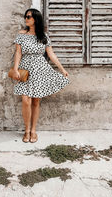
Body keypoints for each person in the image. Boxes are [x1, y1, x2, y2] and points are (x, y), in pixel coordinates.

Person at [12, 8, 70, 143]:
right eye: (25, 16)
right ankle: (26, 130)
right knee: (26, 101)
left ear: (35, 19)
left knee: (36, 101)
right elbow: (18, 53)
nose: (26, 19)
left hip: (40, 69)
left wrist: (62, 69)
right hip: (25, 69)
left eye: (29, 17)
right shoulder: (21, 34)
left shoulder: (43, 36)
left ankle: (33, 130)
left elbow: (51, 54)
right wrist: (15, 69)